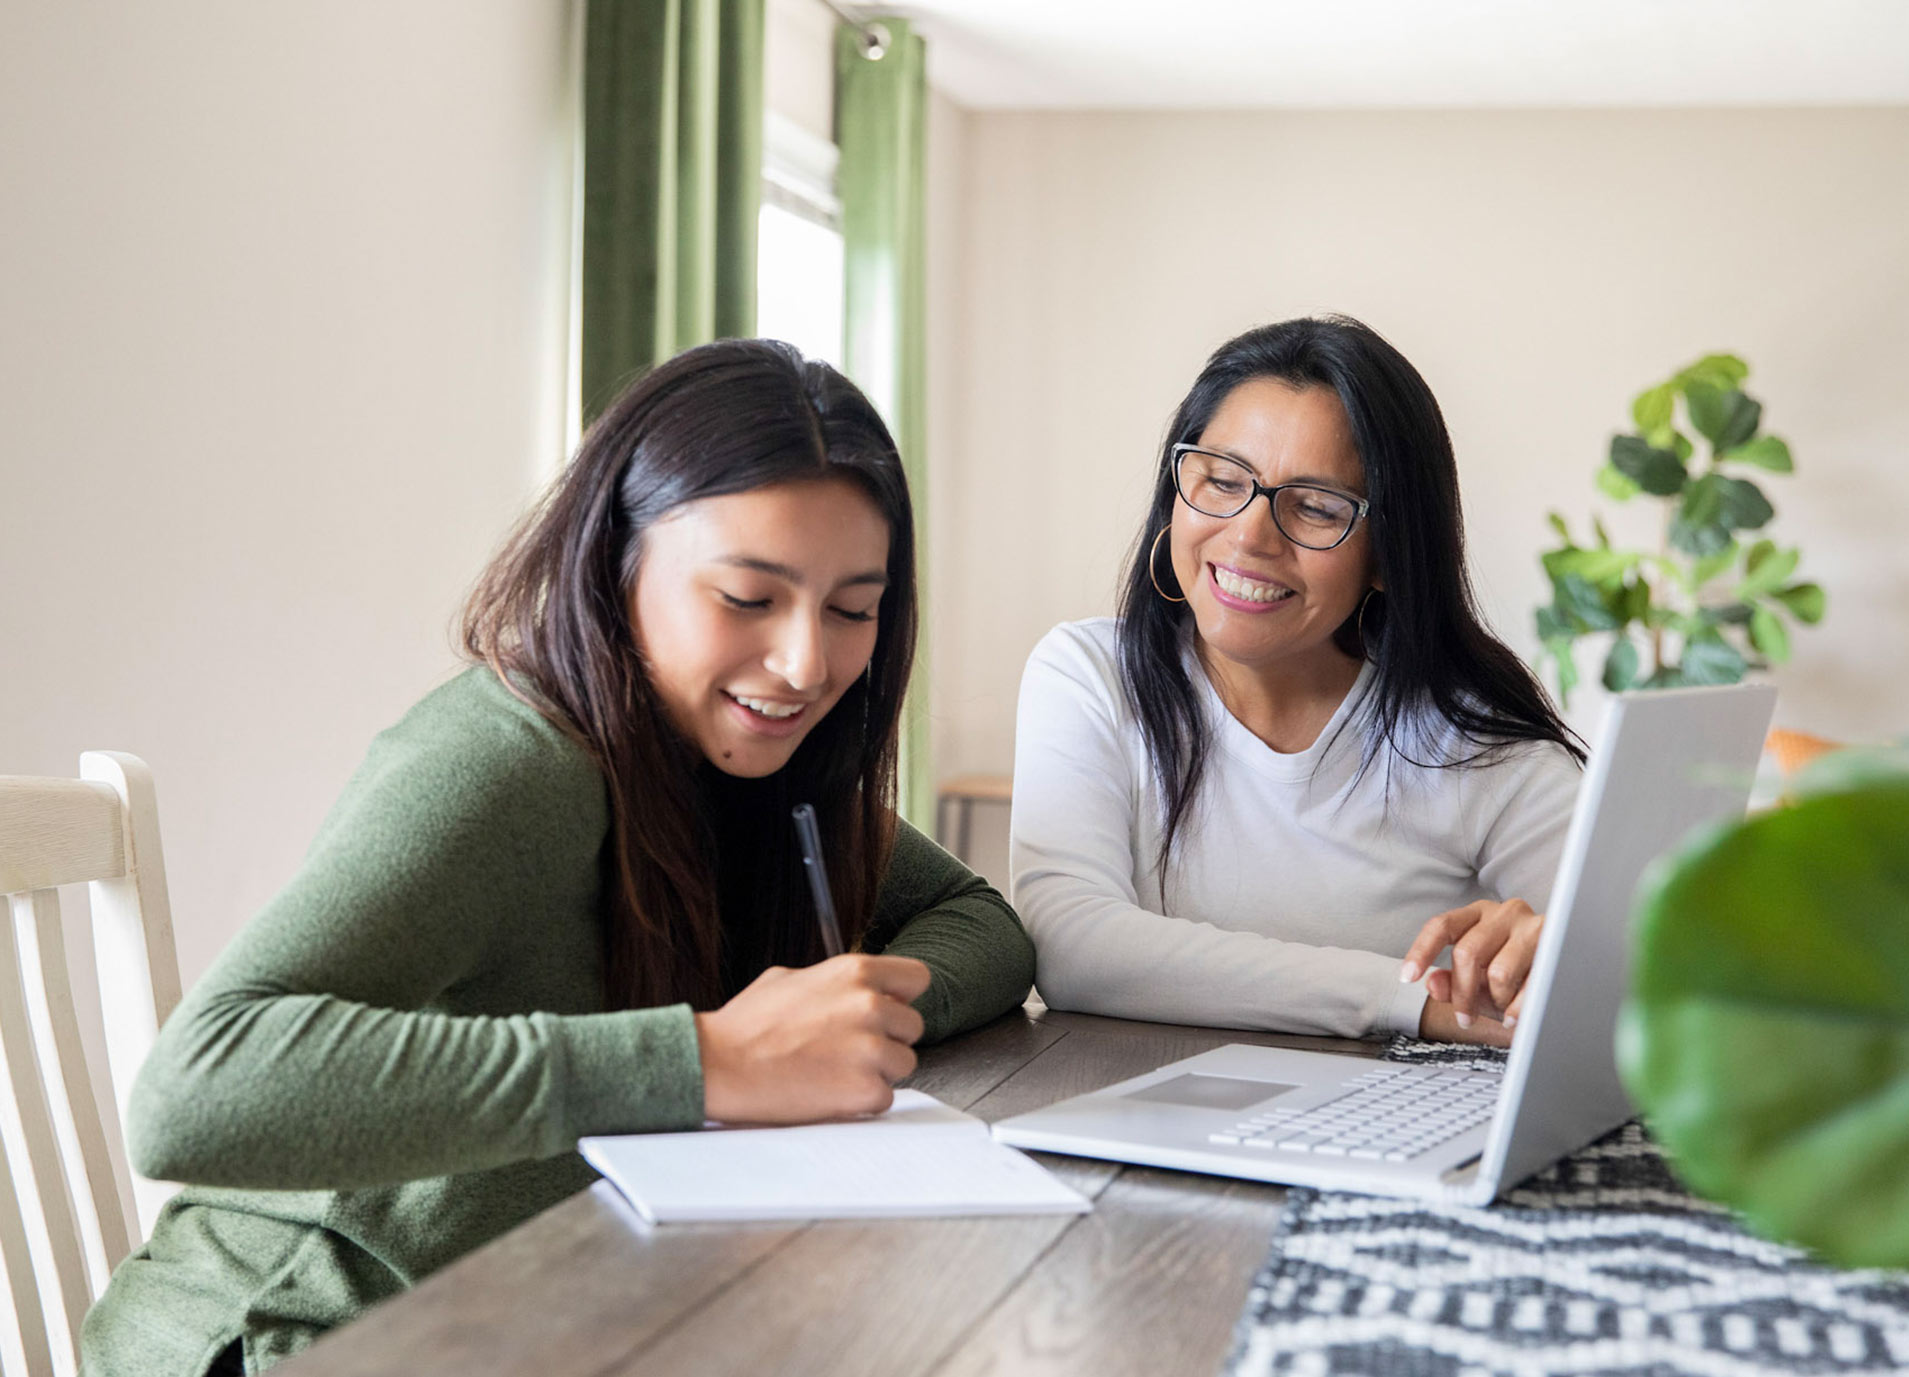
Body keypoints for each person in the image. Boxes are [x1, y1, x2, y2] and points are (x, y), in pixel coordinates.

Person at [82, 340, 1035, 1375]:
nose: (808, 663)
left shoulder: (751, 771)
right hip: (301, 1331)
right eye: (747, 599)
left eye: (853, 610)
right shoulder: (510, 763)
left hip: (547, 1312)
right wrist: (711, 1060)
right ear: (616, 564)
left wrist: (840, 1017)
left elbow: (983, 926)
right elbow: (194, 1092)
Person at [1009, 315, 1581, 1048]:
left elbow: (1645, 965)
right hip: (1139, 1123)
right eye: (1222, 480)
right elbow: (1074, 948)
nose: (1250, 535)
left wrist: (1556, 949)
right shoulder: (1089, 677)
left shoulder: (1471, 745)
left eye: (1314, 506)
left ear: (1388, 552)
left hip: (1385, 1136)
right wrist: (1410, 1002)